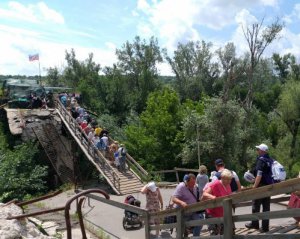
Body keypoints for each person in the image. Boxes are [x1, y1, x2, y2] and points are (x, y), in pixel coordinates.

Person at [245, 143, 273, 232]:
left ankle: (254, 224)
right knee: (266, 207)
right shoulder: (269, 160)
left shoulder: (261, 160)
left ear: (262, 151)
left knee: (255, 205)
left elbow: (259, 174)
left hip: (260, 186)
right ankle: (265, 227)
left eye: (258, 149)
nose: (257, 151)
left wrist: (254, 186)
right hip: (268, 186)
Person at [202, 169, 233, 235]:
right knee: (214, 234)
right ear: (222, 178)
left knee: (225, 233)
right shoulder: (216, 184)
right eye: (227, 179)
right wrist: (212, 197)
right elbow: (204, 194)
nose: (229, 181)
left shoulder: (228, 185)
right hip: (212, 213)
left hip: (223, 213)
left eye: (230, 179)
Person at [172, 173, 203, 237]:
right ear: (187, 181)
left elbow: (199, 198)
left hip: (193, 211)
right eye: (191, 183)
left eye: (194, 183)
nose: (193, 185)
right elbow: (174, 199)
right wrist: (181, 202)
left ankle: (195, 237)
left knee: (199, 223)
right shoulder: (181, 186)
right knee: (181, 229)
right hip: (182, 212)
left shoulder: (195, 187)